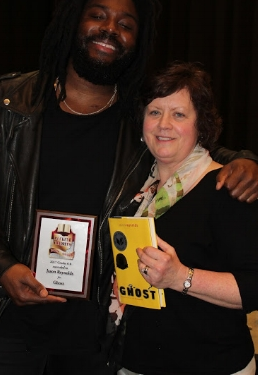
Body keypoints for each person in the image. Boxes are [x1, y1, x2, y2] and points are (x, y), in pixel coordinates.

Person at [0, 0, 257, 375]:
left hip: (94, 336)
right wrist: (2, 268)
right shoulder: (6, 104)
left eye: (126, 24)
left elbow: (195, 143)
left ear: (138, 41)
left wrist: (246, 160)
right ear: (74, 21)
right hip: (8, 320)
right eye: (98, 15)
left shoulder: (139, 121)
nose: (110, 29)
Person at [109, 62, 258, 375]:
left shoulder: (227, 188)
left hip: (210, 364)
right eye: (154, 112)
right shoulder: (135, 188)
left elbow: (253, 286)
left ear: (200, 125)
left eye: (178, 114)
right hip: (134, 361)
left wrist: (181, 277)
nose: (164, 124)